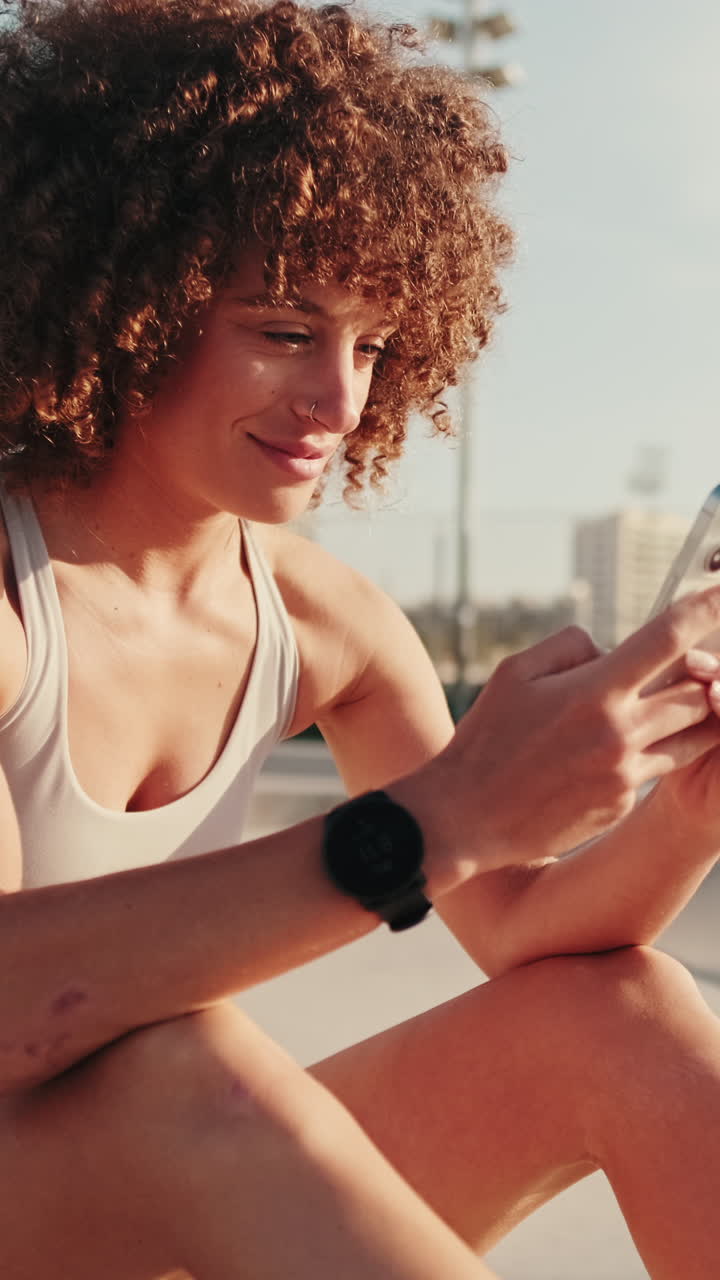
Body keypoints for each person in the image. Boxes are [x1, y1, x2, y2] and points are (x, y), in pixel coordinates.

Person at [2, 1, 720, 1277]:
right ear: (123, 304)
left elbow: (519, 927)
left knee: (623, 1010)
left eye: (375, 344)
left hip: (182, 1190)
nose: (341, 399)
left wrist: (687, 809)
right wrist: (440, 815)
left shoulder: (323, 620)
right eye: (285, 332)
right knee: (186, 1063)